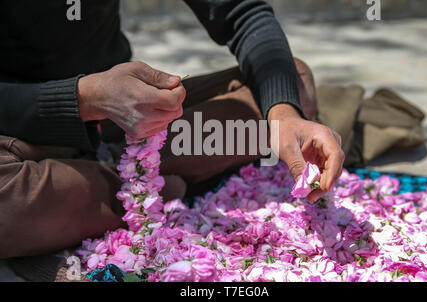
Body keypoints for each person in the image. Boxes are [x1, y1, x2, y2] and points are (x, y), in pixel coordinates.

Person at [0, 0, 344, 258]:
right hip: (14, 131)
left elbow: (243, 13)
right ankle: (150, 184)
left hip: (123, 120)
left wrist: (283, 115)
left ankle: (124, 173)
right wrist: (82, 98)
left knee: (290, 82)